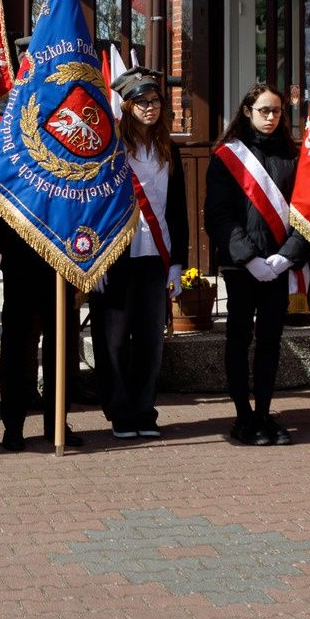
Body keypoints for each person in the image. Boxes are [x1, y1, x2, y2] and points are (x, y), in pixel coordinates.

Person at [0, 38, 74, 451]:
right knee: (18, 340)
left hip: (65, 247)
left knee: (61, 337)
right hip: (21, 245)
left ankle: (57, 423)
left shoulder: (72, 111)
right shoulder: (1, 119)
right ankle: (12, 423)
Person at [205, 83, 310, 446]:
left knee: (271, 341)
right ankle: (243, 416)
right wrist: (249, 258)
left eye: (277, 111)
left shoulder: (294, 156)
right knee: (239, 338)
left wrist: (286, 256)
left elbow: (306, 213)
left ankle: (265, 414)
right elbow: (219, 215)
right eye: (264, 110)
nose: (271, 117)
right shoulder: (226, 156)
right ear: (247, 111)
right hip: (242, 268)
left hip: (279, 265)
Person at [90, 68, 186, 441]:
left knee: (150, 339)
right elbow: (93, 203)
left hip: (154, 255)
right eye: (142, 102)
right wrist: (93, 259)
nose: (151, 108)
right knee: (112, 340)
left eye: (156, 101)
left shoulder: (168, 148)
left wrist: (178, 262)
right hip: (116, 254)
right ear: (127, 107)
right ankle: (119, 411)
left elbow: (177, 209)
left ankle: (145, 409)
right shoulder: (110, 147)